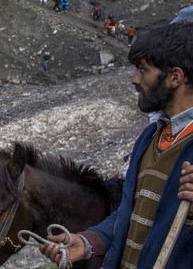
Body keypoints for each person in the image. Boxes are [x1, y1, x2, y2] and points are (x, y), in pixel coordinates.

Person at [40, 22, 193, 269]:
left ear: (175, 77)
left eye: (143, 70)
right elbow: (129, 214)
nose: (134, 79)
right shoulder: (149, 138)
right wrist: (89, 242)